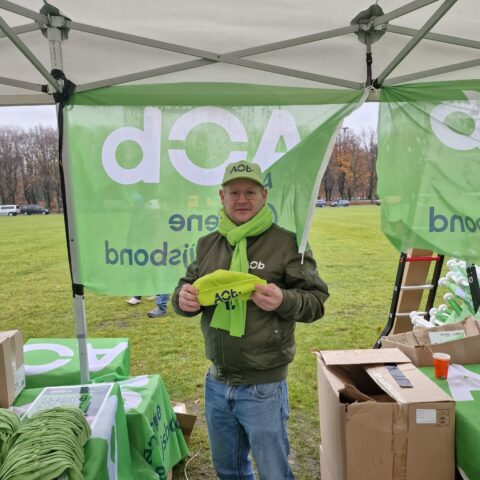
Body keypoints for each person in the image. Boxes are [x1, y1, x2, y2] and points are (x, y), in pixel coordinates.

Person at [172, 160, 329, 479]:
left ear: (264, 195)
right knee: (228, 469)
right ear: (221, 197)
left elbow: (316, 301)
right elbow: (187, 289)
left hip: (264, 385)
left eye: (249, 192)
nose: (241, 199)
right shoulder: (207, 245)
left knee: (273, 470)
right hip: (218, 381)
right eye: (233, 192)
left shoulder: (287, 243)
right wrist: (182, 299)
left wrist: (284, 299)